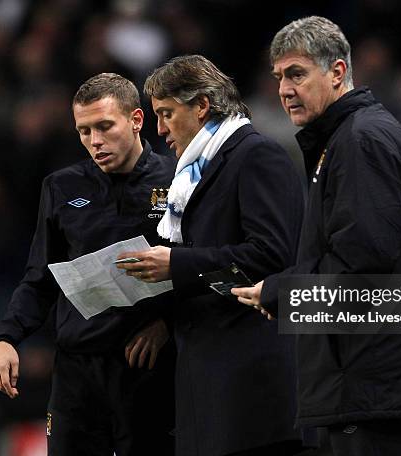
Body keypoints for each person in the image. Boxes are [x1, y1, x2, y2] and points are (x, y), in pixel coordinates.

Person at [231, 16, 401, 456]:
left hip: (377, 388)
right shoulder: (356, 136)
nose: (284, 89)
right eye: (279, 77)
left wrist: (280, 293)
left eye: (297, 74)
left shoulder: (359, 141)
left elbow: (360, 267)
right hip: (381, 385)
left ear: (337, 72)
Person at [116, 55, 305, 456]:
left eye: (167, 114)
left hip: (251, 386)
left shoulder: (257, 156)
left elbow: (271, 254)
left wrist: (176, 264)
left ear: (202, 106)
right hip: (208, 378)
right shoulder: (193, 171)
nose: (161, 129)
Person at [0, 73, 176, 455]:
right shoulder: (62, 186)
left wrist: (169, 323)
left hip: (148, 368)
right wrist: (6, 337)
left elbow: (200, 267)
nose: (95, 141)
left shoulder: (177, 180)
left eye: (105, 127)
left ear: (136, 120)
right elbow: (40, 277)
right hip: (77, 371)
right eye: (84, 131)